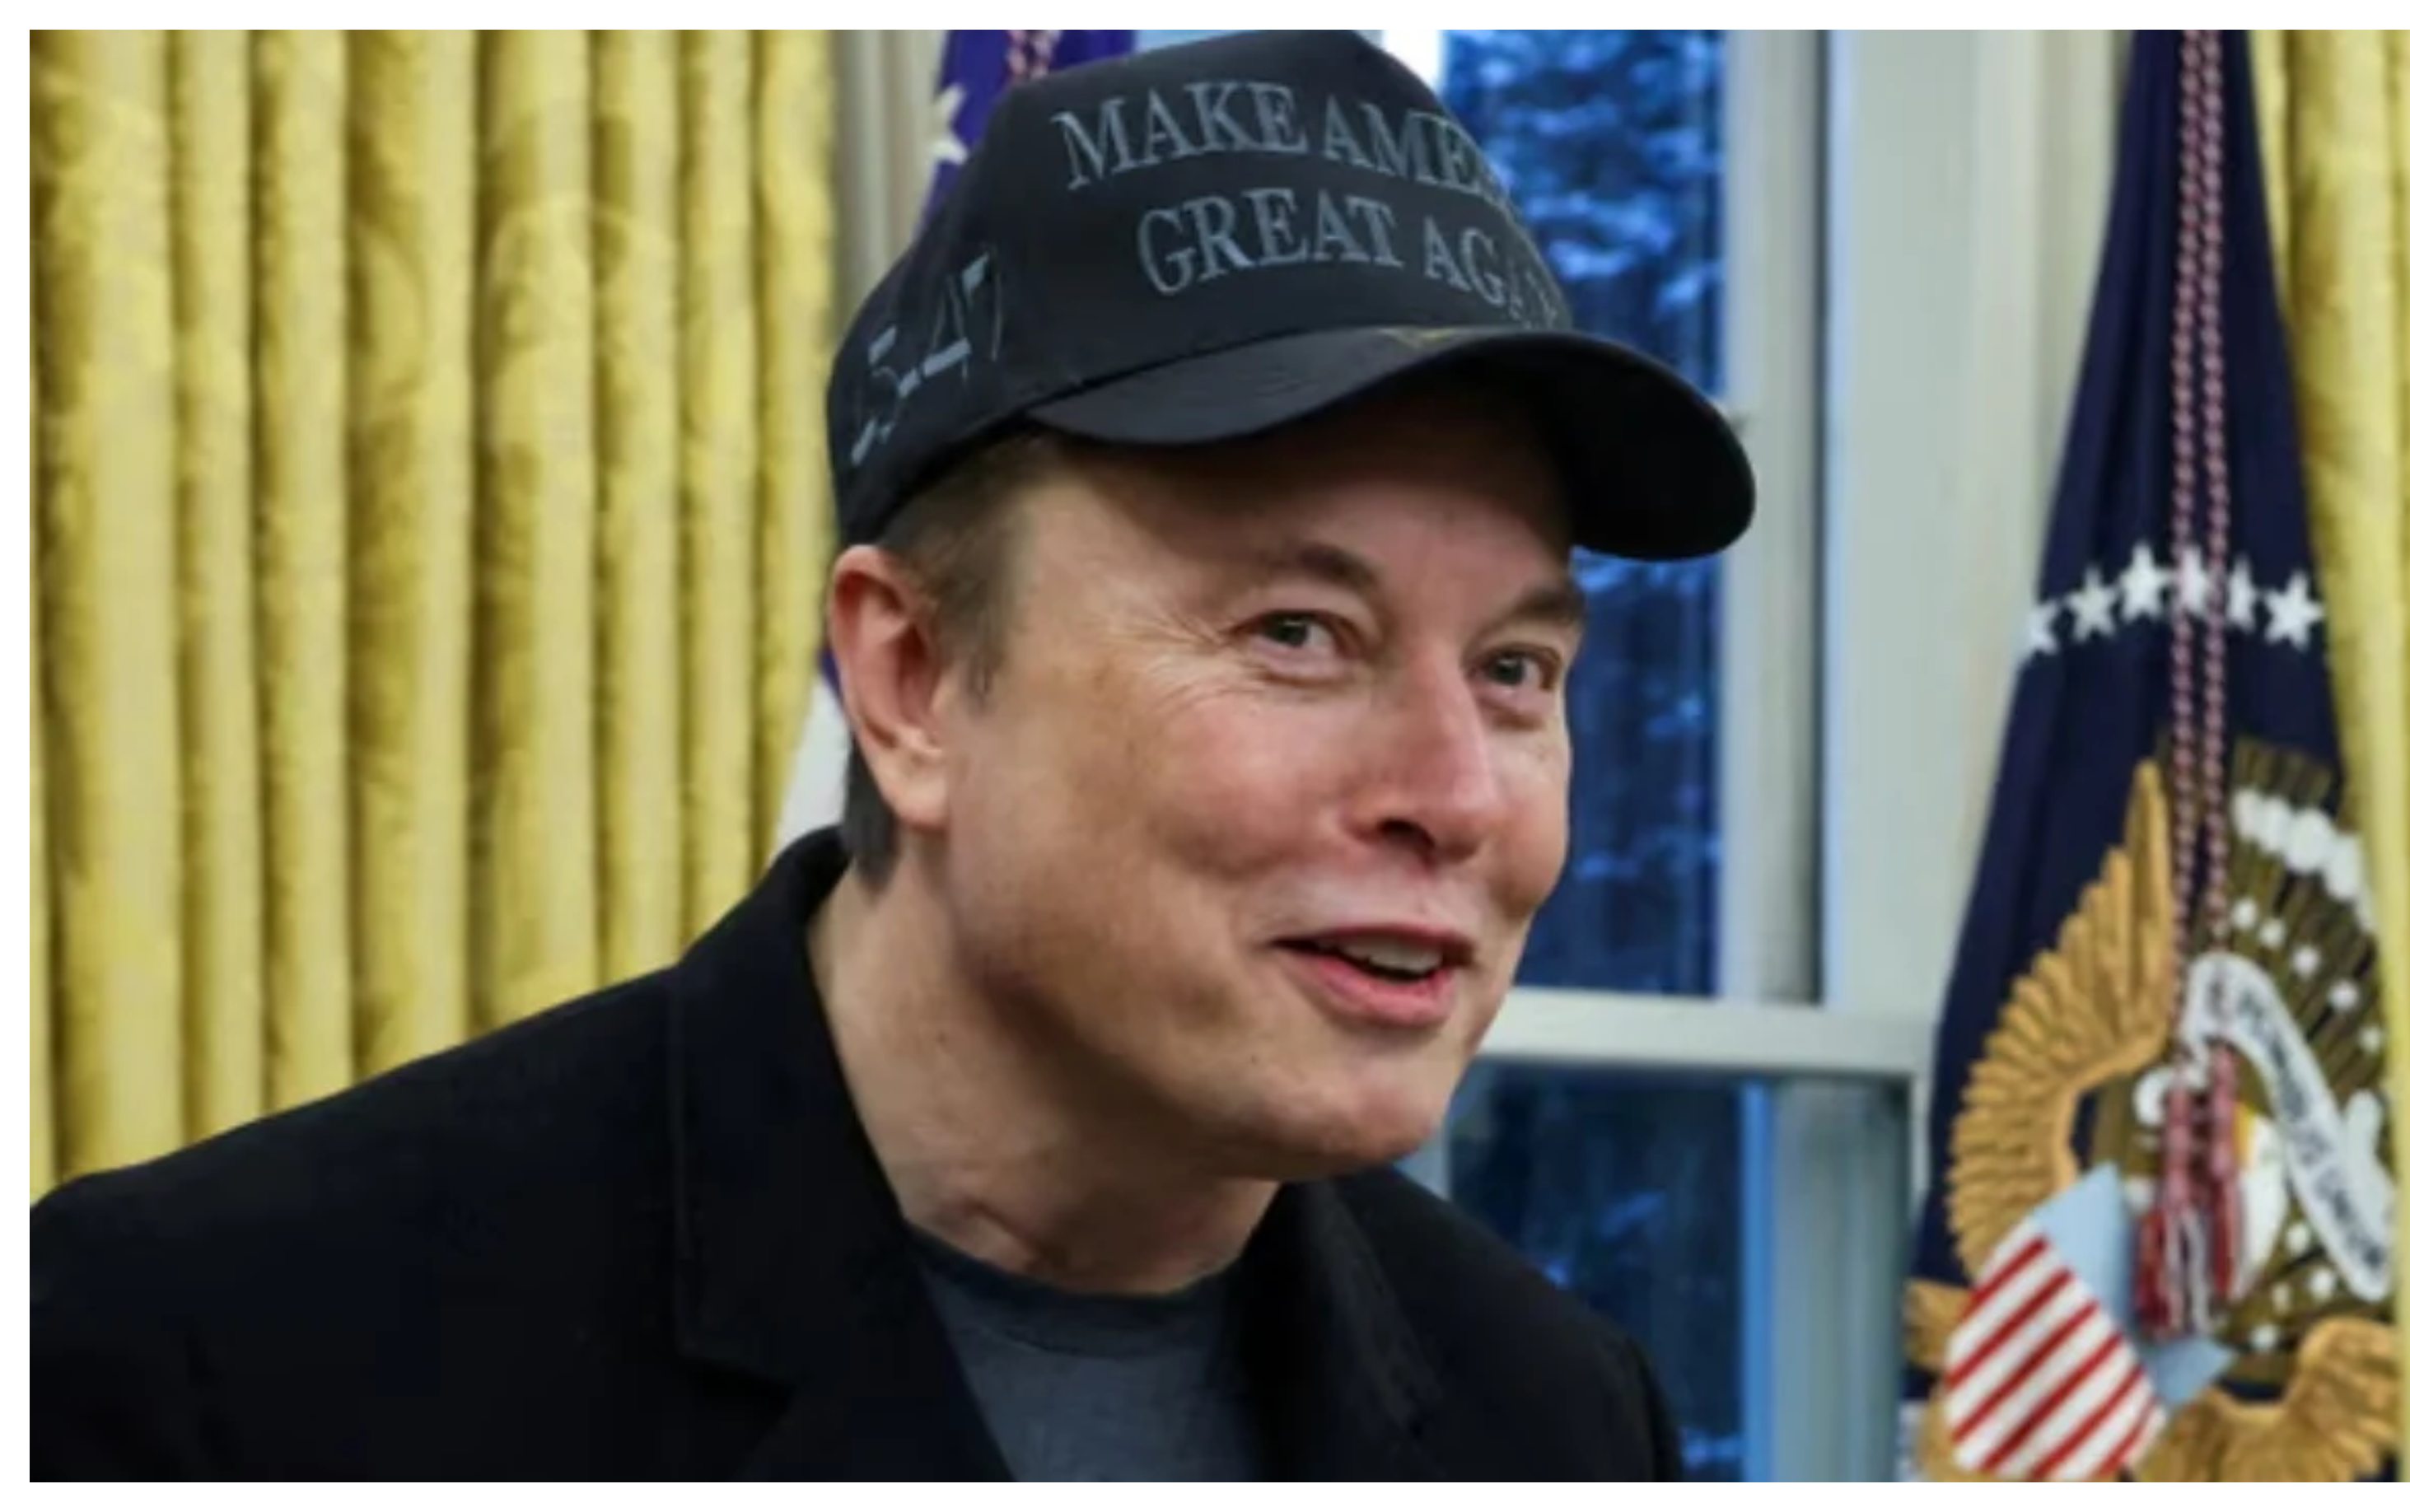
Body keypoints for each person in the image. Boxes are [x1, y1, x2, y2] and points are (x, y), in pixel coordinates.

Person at [32, 30, 1752, 1480]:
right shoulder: (210, 1363)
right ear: (913, 680)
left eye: (1516, 670)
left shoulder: (1560, 1417)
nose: (1457, 796)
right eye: (1298, 634)